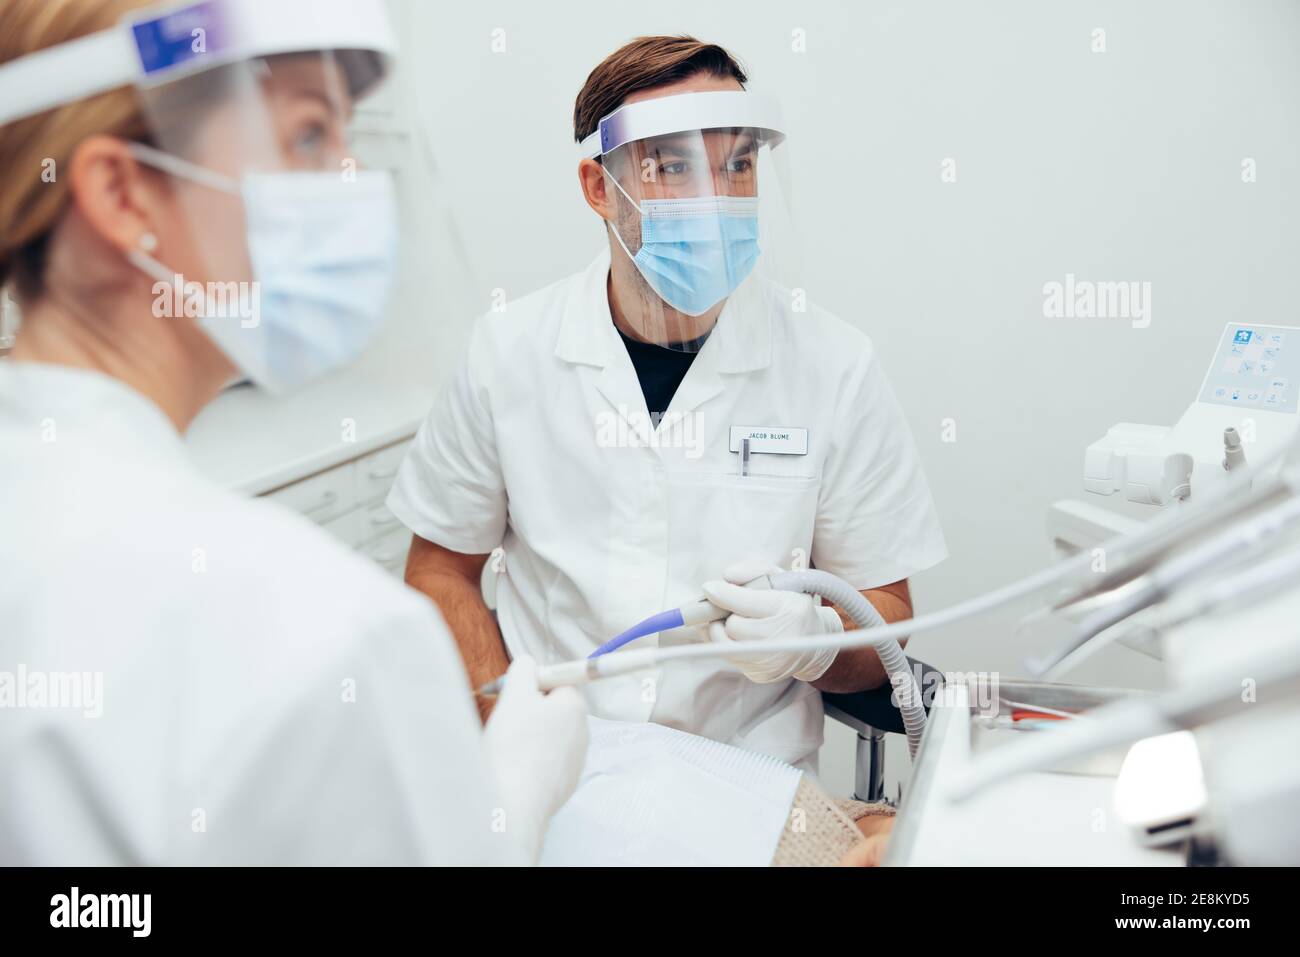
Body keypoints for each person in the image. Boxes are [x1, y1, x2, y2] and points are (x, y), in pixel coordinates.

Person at [0, 0, 585, 865]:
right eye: (308, 138)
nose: (355, 182)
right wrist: (512, 804)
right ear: (122, 193)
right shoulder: (325, 629)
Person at [388, 36, 947, 772]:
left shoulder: (834, 364)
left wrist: (811, 646)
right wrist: (508, 727)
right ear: (598, 187)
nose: (714, 198)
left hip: (749, 777)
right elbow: (439, 570)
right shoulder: (507, 352)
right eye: (674, 166)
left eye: (737, 164)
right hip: (559, 769)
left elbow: (886, 617)